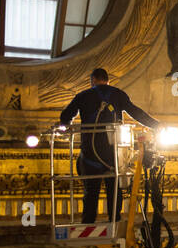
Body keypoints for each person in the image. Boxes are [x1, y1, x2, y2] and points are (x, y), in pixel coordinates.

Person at [58, 68, 160, 224]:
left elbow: (65, 116)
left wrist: (65, 126)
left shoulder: (82, 96)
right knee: (114, 190)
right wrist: (156, 125)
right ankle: (114, 220)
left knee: (91, 191)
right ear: (108, 80)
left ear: (92, 80)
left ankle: (88, 222)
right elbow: (135, 112)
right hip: (113, 154)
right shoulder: (118, 95)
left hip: (90, 153)